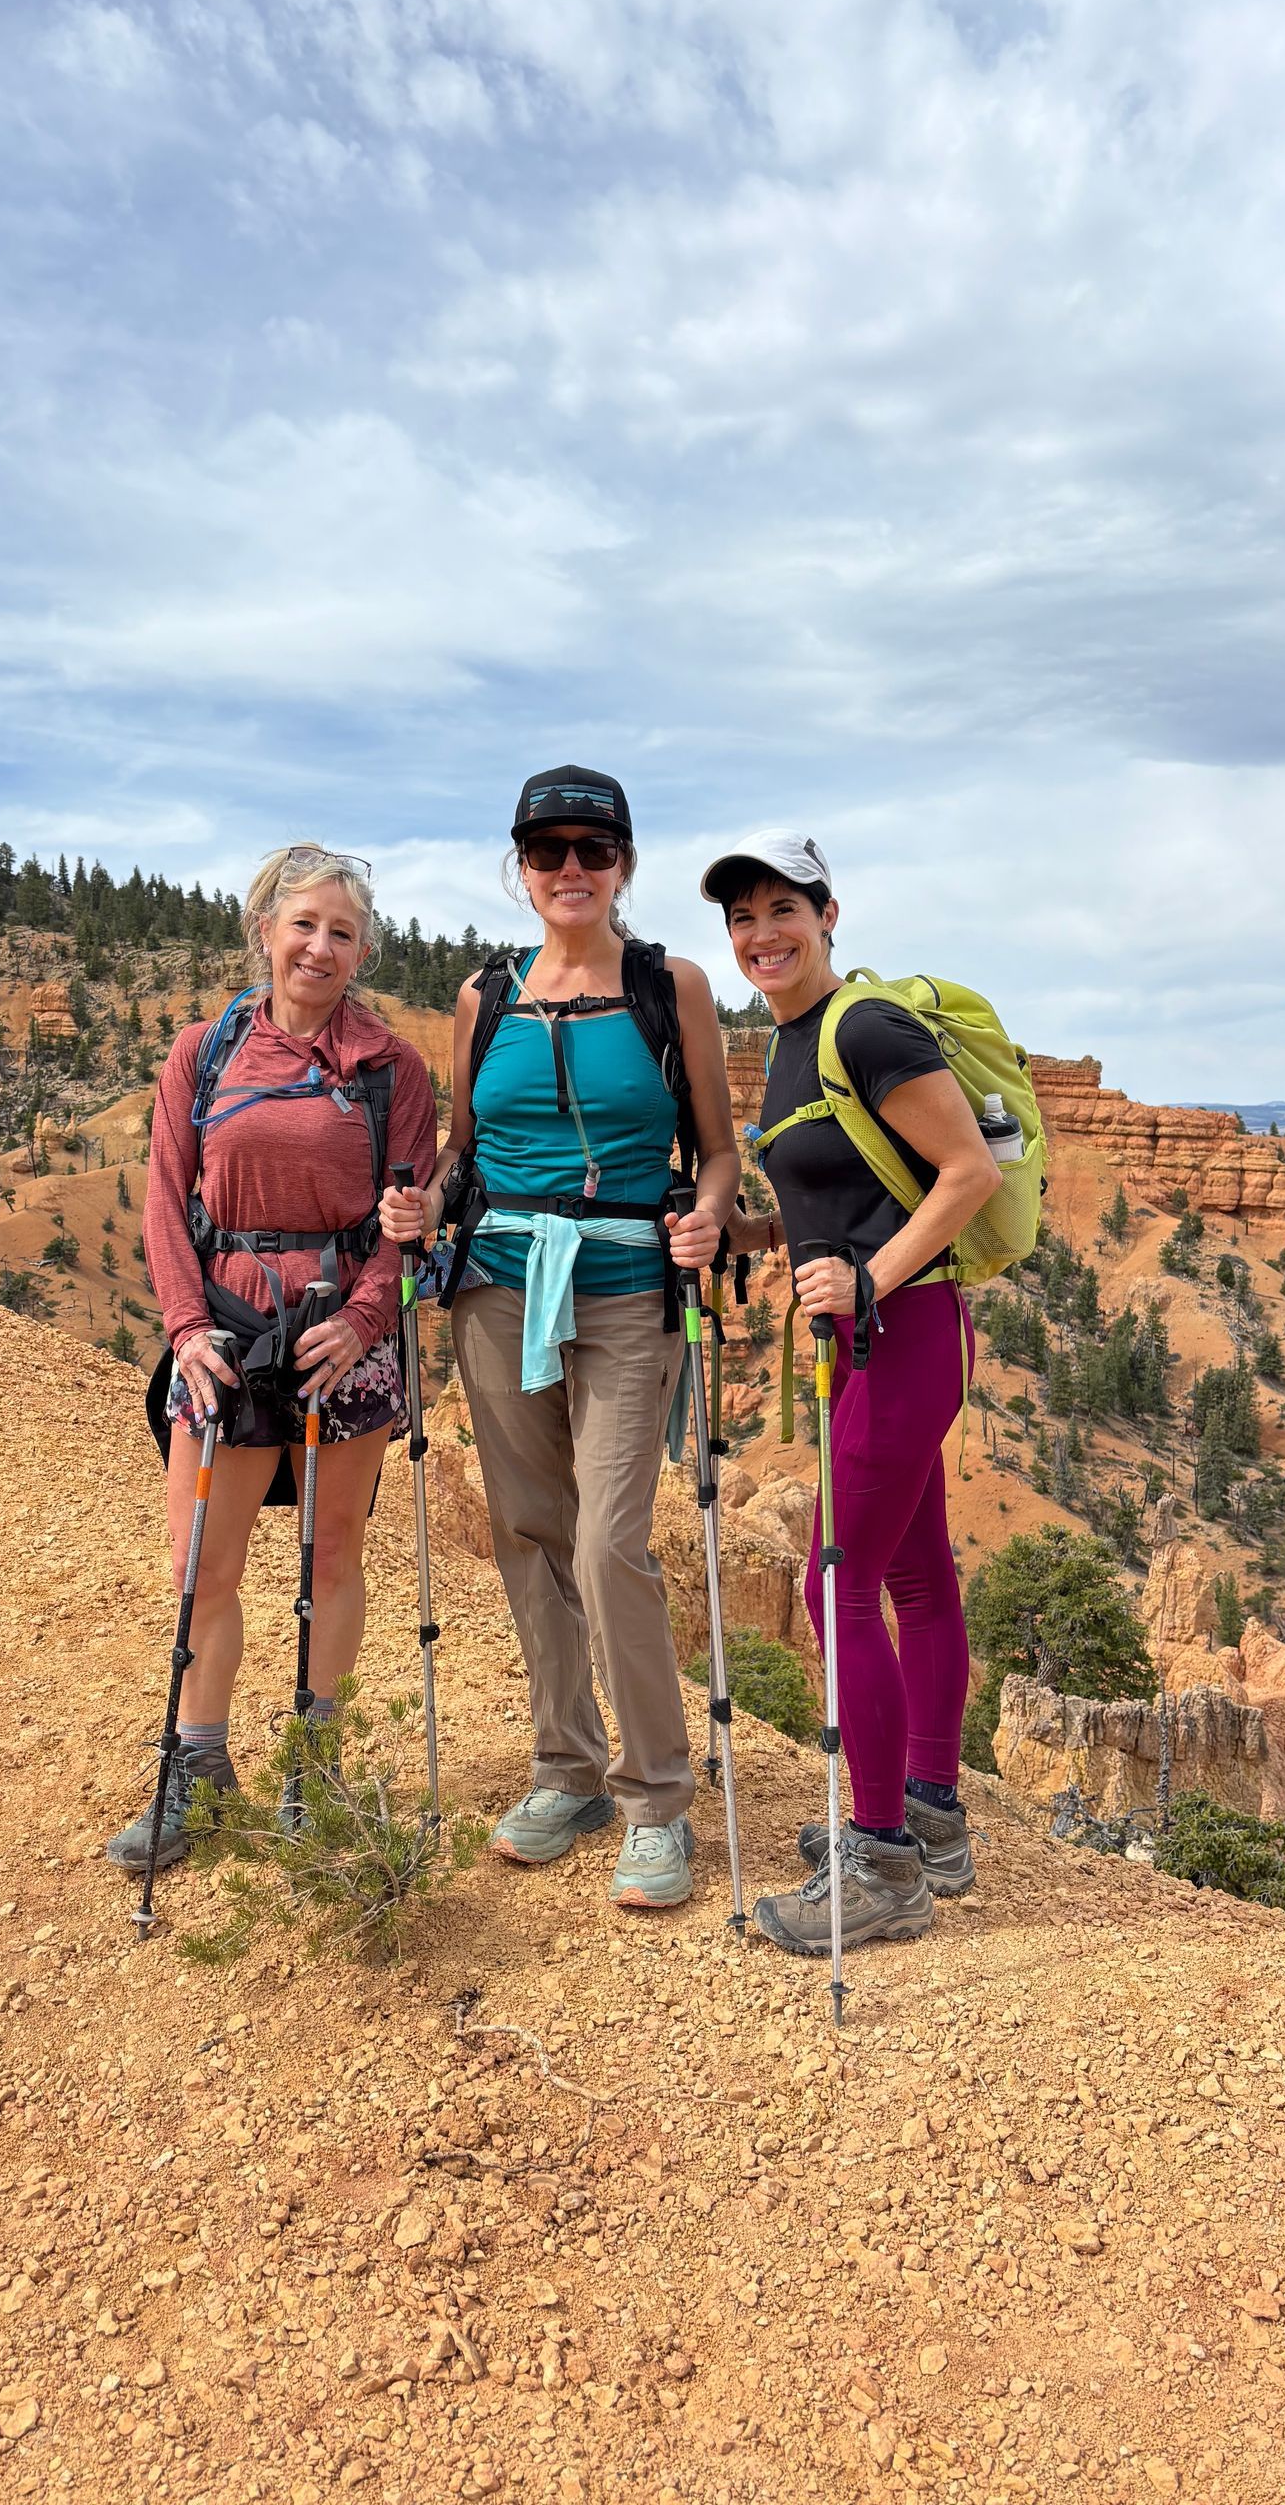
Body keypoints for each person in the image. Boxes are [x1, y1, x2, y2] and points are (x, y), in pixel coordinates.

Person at [381, 767, 740, 1910]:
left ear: (624, 862)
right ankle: (565, 1766)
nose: (570, 870)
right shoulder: (484, 997)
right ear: (520, 868)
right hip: (497, 1282)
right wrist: (423, 1202)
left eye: (593, 849)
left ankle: (655, 1797)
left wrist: (715, 1211)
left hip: (631, 1283)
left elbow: (720, 1150)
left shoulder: (668, 985)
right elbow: (460, 1146)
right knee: (531, 1528)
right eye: (549, 852)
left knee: (610, 1541)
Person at [107, 844, 437, 1875]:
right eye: (304, 925)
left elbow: (409, 1215)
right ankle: (198, 1770)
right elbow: (166, 1197)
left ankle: (316, 1763)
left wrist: (371, 1315)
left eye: (342, 932)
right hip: (225, 1329)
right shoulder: (203, 1054)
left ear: (364, 947)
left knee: (333, 1554)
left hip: (344, 1340)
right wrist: (182, 1327)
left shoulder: (393, 1068)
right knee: (200, 1562)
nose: (321, 947)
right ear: (264, 930)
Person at [701, 829, 1001, 1952]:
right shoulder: (791, 1043)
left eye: (783, 909)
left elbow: (966, 1172)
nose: (761, 934)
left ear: (830, 914)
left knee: (838, 1588)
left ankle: (880, 1863)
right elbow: (854, 1192)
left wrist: (867, 1276)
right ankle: (931, 1816)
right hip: (872, 1336)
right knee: (915, 1576)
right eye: (741, 917)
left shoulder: (865, 1026)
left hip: (904, 1332)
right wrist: (753, 1230)